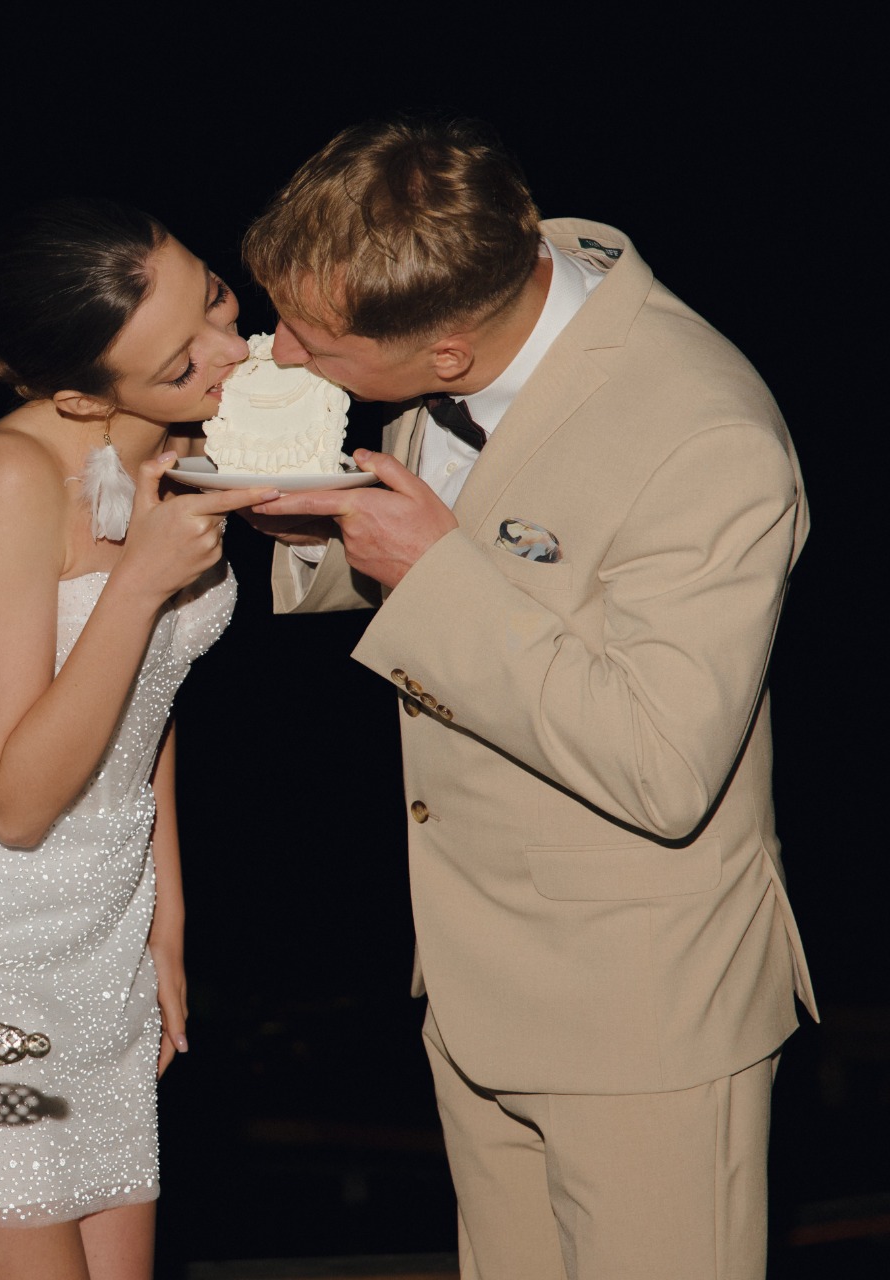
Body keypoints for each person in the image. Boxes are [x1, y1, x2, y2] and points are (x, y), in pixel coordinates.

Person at [239, 117, 815, 1279]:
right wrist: (319, 524)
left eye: (314, 342)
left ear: (449, 354)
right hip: (474, 981)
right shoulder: (475, 283)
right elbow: (488, 534)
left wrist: (430, 573)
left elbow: (663, 764)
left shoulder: (705, 436)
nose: (279, 352)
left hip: (640, 1014)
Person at [0, 197, 262, 1280]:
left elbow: (146, 697)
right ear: (81, 394)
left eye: (217, 299)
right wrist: (140, 583)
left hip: (103, 933)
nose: (229, 349)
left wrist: (166, 918)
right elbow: (17, 797)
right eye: (182, 360)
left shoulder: (186, 446)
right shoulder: (10, 477)